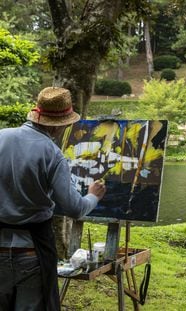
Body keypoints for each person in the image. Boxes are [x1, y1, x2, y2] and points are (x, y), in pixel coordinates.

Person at [0, 87, 107, 311]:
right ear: (57, 124)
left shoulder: (1, 136)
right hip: (31, 252)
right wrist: (92, 196)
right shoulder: (51, 153)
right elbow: (74, 208)